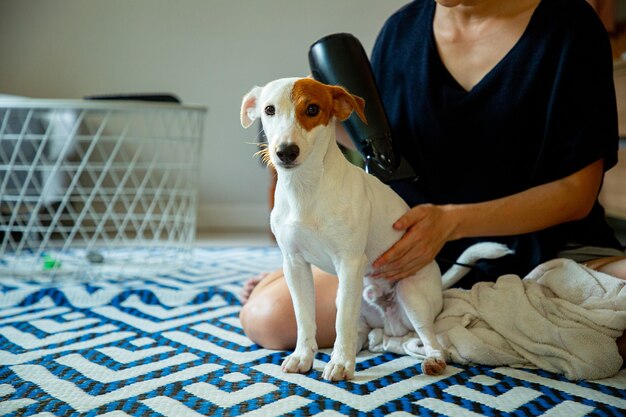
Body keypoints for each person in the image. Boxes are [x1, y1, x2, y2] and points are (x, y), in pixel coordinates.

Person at [239, 0, 626, 361]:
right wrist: (315, 109)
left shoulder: (569, 28)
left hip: (546, 246)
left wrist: (451, 222)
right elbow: (382, 145)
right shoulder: (402, 30)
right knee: (266, 316)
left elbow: (576, 194)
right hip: (407, 255)